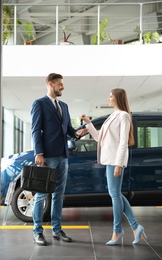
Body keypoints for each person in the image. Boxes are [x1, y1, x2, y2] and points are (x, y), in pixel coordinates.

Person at [80, 88, 147, 246]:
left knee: (115, 195)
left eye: (111, 96)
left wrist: (118, 163)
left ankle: (117, 231)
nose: (108, 98)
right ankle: (135, 227)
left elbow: (123, 141)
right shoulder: (113, 115)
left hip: (115, 161)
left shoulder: (123, 116)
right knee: (115, 194)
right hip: (109, 159)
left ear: (117, 98)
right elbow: (100, 139)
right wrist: (88, 123)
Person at [31, 73, 84, 246]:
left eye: (62, 84)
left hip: (63, 156)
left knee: (59, 196)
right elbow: (35, 130)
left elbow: (68, 129)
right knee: (41, 195)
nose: (62, 87)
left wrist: (77, 133)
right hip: (47, 156)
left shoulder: (64, 106)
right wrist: (39, 153)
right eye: (60, 84)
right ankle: (37, 232)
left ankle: (56, 229)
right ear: (50, 84)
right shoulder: (39, 104)